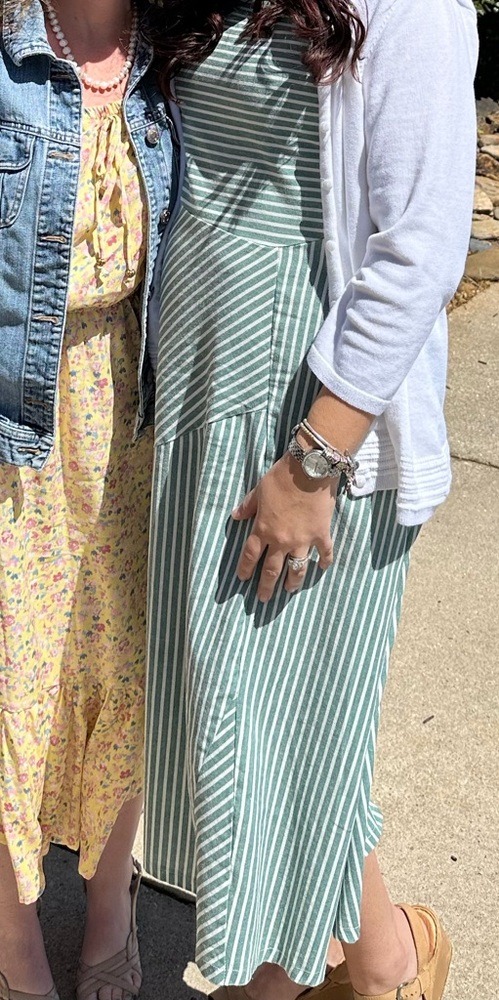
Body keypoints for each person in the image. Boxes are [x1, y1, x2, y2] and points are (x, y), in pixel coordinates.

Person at [141, 2, 477, 999]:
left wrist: (312, 465)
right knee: (265, 727)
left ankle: (272, 981)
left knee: (267, 741)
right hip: (203, 395)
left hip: (309, 429)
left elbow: (420, 248)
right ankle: (385, 966)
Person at [0, 2, 175, 1000]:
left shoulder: (173, 49)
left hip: (134, 406)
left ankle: (110, 906)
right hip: (14, 415)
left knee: (122, 670)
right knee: (11, 672)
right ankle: (13, 931)